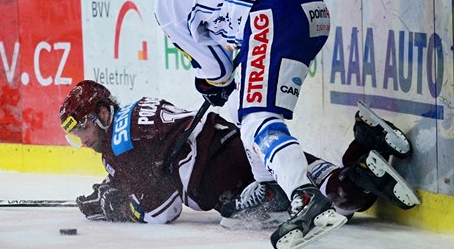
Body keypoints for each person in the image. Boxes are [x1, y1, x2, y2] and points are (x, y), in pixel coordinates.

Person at [133, 0, 349, 249]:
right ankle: (270, 189)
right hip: (311, 7)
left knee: (256, 119)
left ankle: (306, 196)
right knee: (244, 107)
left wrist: (209, 84)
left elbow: (217, 70)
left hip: (269, 14)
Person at [59, 80, 420, 234]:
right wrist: (124, 182)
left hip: (225, 183)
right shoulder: (138, 109)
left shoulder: (117, 149)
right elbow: (156, 156)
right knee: (316, 180)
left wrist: (121, 207)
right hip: (239, 142)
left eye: (82, 129)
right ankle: (366, 144)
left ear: (103, 115)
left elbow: (161, 211)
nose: (82, 139)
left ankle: (362, 177)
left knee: (329, 207)